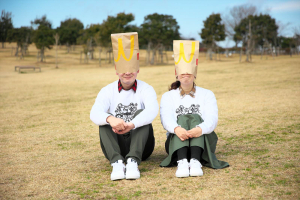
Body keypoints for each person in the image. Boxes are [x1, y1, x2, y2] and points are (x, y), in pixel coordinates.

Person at [90, 32, 159, 181]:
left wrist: (132, 124)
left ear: (138, 70)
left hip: (142, 146)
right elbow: (94, 112)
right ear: (116, 70)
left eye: (131, 69)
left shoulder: (146, 88)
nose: (127, 72)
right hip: (116, 144)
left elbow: (153, 110)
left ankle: (133, 161)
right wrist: (110, 118)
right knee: (104, 120)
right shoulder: (107, 90)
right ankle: (117, 163)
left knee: (142, 114)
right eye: (123, 69)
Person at [160, 40, 229, 178]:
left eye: (189, 71)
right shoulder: (168, 96)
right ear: (176, 73)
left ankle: (196, 160)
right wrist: (177, 129)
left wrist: (199, 129)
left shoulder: (207, 94)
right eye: (182, 72)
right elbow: (166, 119)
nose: (185, 74)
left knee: (194, 117)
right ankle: (182, 161)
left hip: (203, 142)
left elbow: (212, 119)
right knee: (183, 118)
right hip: (176, 141)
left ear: (195, 73)